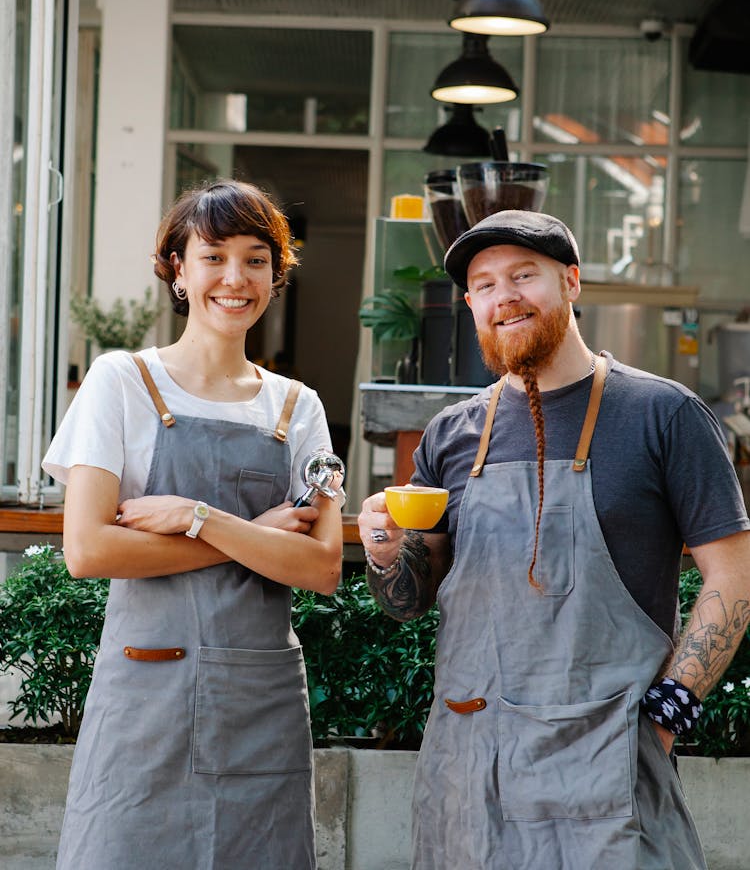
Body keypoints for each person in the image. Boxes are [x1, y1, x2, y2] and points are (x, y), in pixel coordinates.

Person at [358, 209, 750, 869]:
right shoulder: (450, 436)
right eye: (484, 285)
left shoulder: (665, 414)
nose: (503, 295)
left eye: (523, 275)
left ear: (571, 282)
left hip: (606, 770)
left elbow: (733, 574)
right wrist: (385, 551)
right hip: (469, 769)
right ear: (470, 305)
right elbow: (407, 601)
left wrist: (668, 714)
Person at [43, 179, 344, 869]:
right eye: (213, 257)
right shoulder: (120, 382)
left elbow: (322, 567)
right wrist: (250, 537)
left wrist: (195, 517)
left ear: (276, 274)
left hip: (257, 707)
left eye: (256, 259)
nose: (235, 278)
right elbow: (89, 549)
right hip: (145, 701)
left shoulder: (298, 408)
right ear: (177, 270)